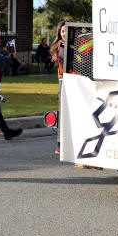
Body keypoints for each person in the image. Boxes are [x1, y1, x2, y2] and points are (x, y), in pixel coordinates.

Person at [51, 21, 66, 155]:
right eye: (62, 31)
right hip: (65, 81)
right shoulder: (60, 46)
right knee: (62, 113)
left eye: (67, 30)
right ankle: (60, 144)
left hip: (76, 80)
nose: (65, 33)